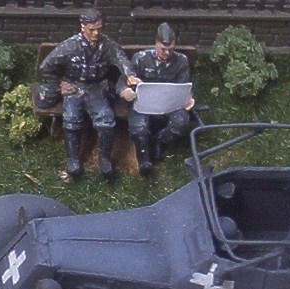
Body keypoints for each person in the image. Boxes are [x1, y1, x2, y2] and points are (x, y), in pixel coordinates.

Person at [37, 9, 140, 179]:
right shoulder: (70, 46)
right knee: (71, 120)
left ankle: (104, 160)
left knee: (106, 121)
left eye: (99, 28)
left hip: (97, 87)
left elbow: (121, 59)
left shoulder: (107, 45)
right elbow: (46, 67)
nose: (96, 33)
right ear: (83, 26)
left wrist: (129, 74)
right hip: (75, 87)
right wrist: (59, 84)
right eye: (92, 29)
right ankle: (73, 160)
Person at [119, 23, 195, 176]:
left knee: (180, 122)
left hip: (169, 103)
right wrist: (125, 90)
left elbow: (184, 84)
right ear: (156, 43)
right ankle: (144, 159)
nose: (167, 53)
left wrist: (189, 98)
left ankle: (159, 142)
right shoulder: (140, 58)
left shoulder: (181, 61)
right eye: (163, 49)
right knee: (139, 127)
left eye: (170, 49)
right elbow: (124, 79)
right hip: (143, 102)